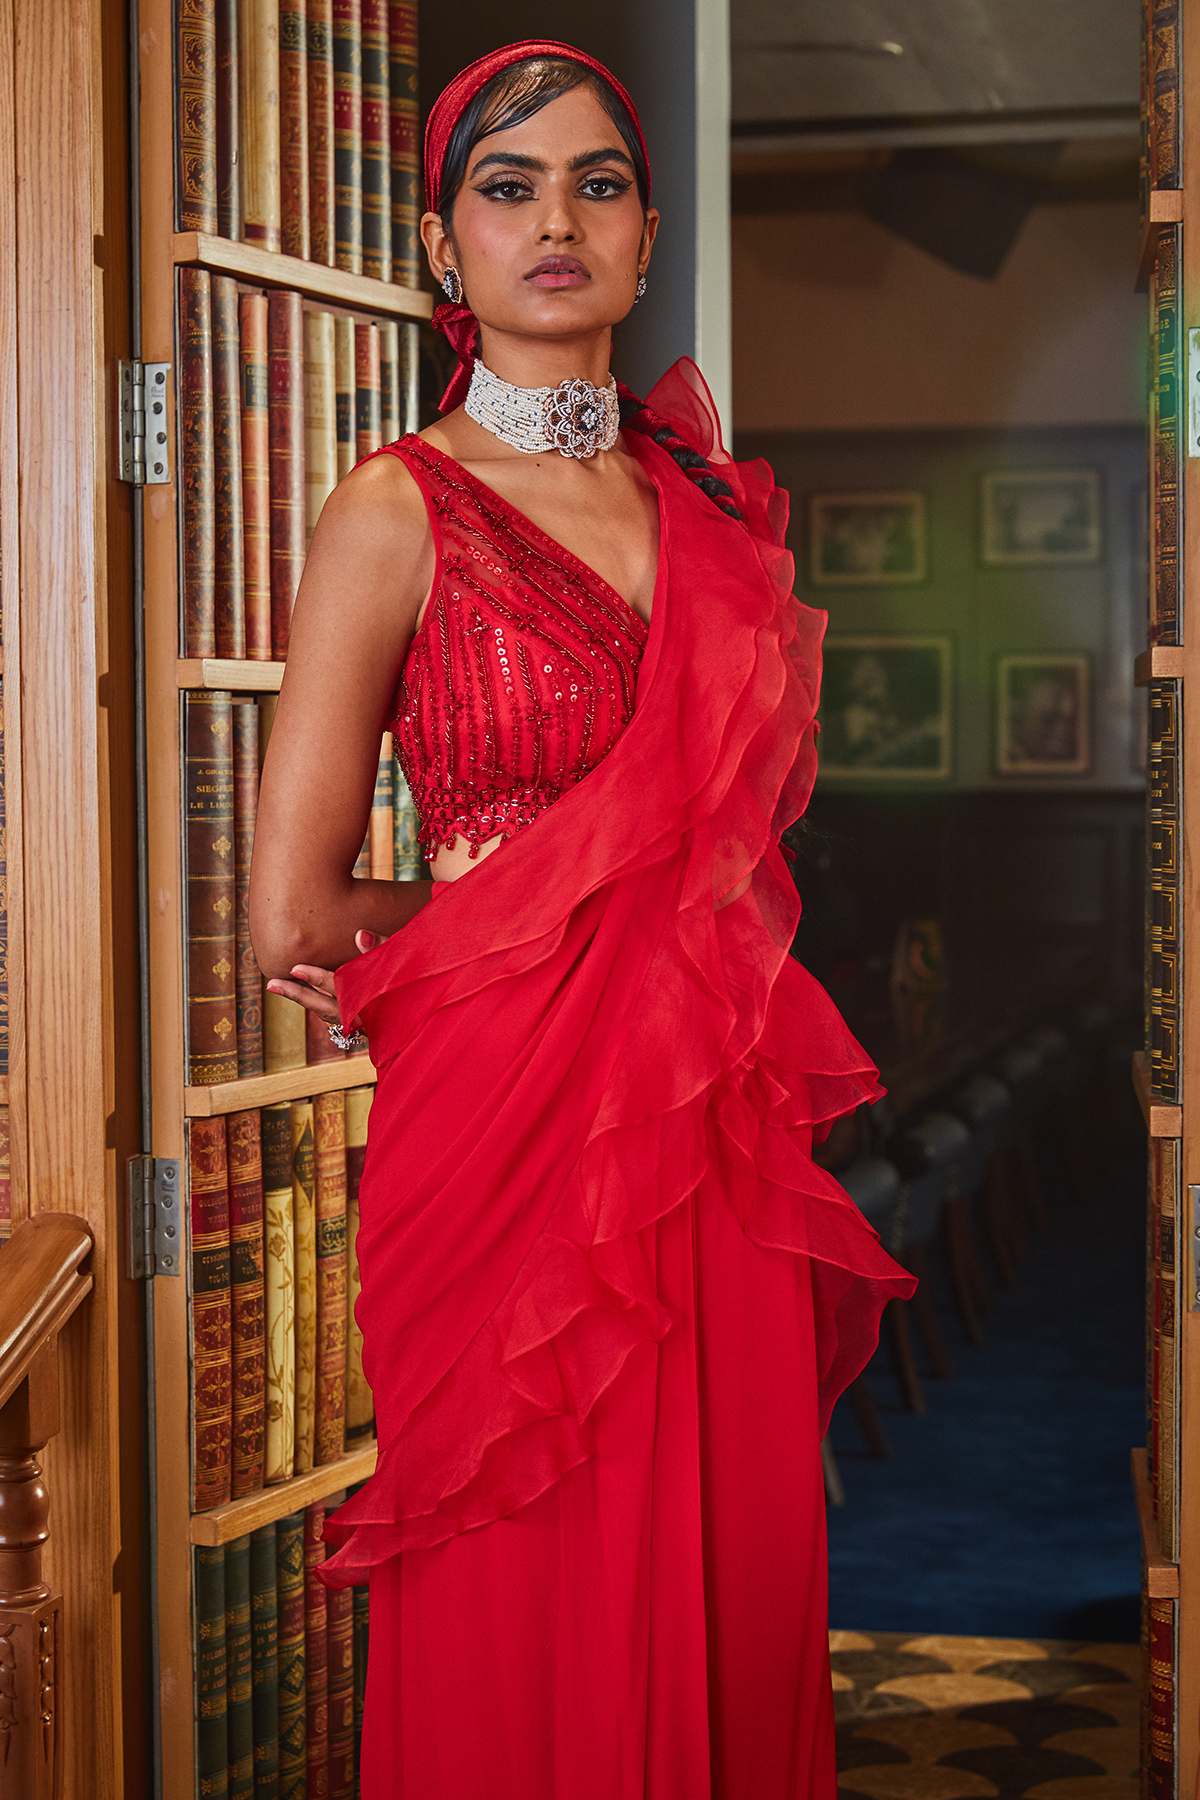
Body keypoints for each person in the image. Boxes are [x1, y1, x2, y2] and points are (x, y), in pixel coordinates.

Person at [249, 40, 913, 1800]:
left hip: (709, 1134)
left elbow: (726, 868)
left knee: (729, 1574)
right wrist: (487, 931)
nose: (557, 220)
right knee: (516, 1575)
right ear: (442, 242)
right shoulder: (395, 510)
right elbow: (291, 905)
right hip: (503, 1133)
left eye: (596, 183)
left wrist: (536, 920)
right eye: (509, 185)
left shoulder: (710, 513)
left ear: (643, 233)